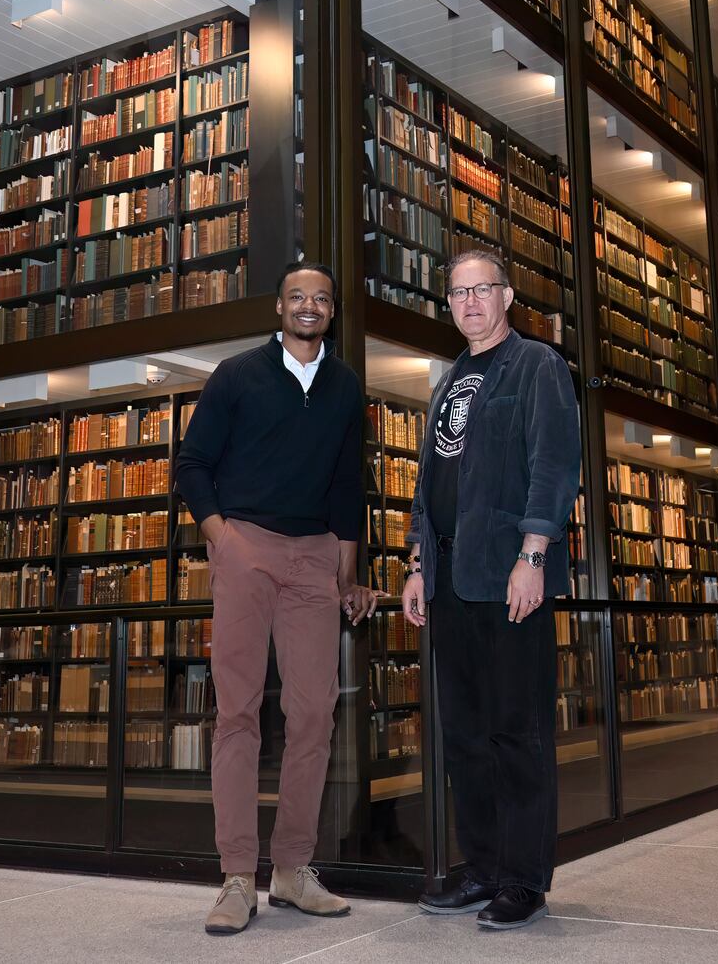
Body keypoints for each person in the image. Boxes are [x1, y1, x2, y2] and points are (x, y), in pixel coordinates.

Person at [175, 261, 382, 936]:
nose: (310, 305)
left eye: (322, 297)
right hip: (247, 546)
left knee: (314, 713)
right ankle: (237, 875)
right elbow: (192, 465)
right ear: (279, 306)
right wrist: (224, 541)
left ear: (330, 312)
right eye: (298, 295)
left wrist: (346, 574)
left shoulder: (346, 385)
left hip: (316, 556)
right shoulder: (237, 374)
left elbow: (349, 486)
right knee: (237, 711)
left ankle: (292, 868)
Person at [400, 248, 582, 931]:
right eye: (458, 292)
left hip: (511, 578)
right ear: (448, 304)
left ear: (507, 296)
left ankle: (524, 879)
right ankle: (481, 867)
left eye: (483, 288)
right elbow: (429, 488)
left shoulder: (536, 365)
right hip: (452, 582)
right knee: (466, 735)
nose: (470, 301)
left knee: (517, 730)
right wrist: (418, 566)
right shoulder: (448, 383)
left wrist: (533, 553)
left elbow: (554, 464)